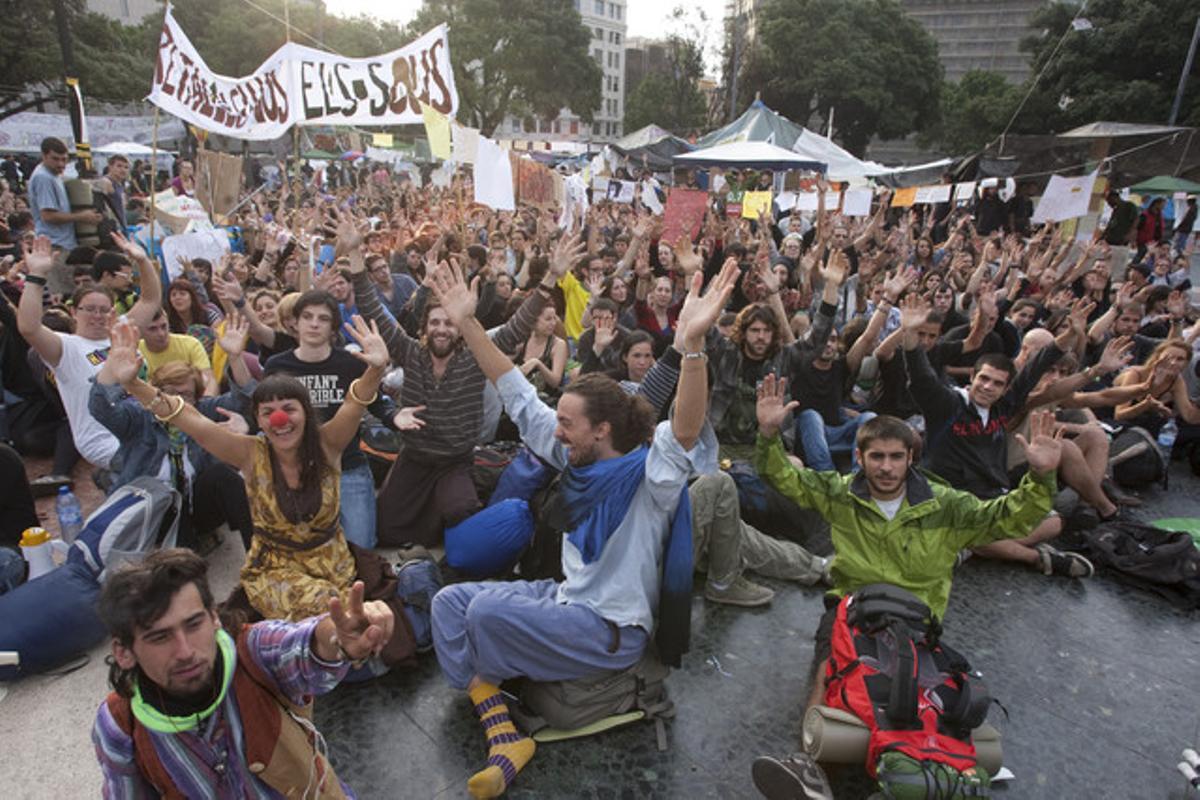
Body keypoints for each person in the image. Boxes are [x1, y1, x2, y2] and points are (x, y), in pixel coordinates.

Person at [427, 257, 738, 799]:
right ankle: (506, 732)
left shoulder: (649, 479)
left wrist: (691, 345)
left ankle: (498, 707)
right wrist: (468, 323)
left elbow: (685, 428)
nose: (558, 430)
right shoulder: (575, 455)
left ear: (603, 430)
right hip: (566, 601)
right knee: (447, 603)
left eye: (568, 423)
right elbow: (513, 389)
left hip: (610, 630)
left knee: (483, 613)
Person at [748, 383, 1065, 800]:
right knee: (829, 668)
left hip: (917, 617)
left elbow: (1009, 519)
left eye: (896, 457)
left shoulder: (946, 505)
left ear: (910, 458)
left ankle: (930, 769)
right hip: (851, 606)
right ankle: (810, 769)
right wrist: (769, 435)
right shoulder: (841, 493)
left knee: (918, 691)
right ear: (859, 458)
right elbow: (782, 477)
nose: (886, 467)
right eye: (876, 456)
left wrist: (1040, 477)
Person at [350, 224, 585, 548]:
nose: (442, 329)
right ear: (425, 328)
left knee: (462, 511)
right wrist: (353, 254)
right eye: (435, 322)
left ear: (459, 329)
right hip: (414, 458)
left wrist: (549, 280)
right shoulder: (409, 352)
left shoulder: (476, 356)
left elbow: (516, 328)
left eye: (449, 322)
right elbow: (371, 306)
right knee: (386, 530)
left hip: (456, 461)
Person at [92, 549, 395, 798]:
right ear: (124, 652)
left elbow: (306, 643)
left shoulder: (253, 653)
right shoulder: (121, 725)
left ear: (214, 618)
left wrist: (339, 639)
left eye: (194, 624)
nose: (184, 651)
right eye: (160, 637)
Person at [90, 313, 255, 548]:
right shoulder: (140, 417)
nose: (178, 401)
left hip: (195, 505)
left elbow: (245, 400)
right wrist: (112, 368)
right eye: (170, 392)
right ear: (157, 393)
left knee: (223, 477)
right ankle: (183, 557)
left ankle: (258, 557)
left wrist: (235, 357)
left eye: (185, 395)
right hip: (150, 511)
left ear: (197, 398)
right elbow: (100, 409)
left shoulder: (201, 411)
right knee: (169, 504)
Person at [263, 290, 402, 549]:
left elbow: (377, 403)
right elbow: (265, 414)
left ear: (333, 327)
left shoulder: (350, 364)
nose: (314, 323)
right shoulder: (276, 365)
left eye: (323, 318)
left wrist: (396, 416)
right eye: (307, 316)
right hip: (297, 471)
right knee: (302, 547)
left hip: (347, 467)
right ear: (295, 322)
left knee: (361, 547)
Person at [16, 233, 160, 471]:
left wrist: (143, 262)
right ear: (74, 312)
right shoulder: (66, 348)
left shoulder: (120, 330)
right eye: (89, 309)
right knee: (158, 468)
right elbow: (29, 328)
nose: (97, 316)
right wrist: (37, 274)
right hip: (103, 440)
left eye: (104, 310)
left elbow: (151, 300)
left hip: (140, 425)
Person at [29, 137, 103, 294]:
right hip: (55, 246)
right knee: (64, 293)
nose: (61, 164)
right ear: (44, 156)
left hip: (65, 244)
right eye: (55, 159)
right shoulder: (43, 177)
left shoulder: (54, 175)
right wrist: (82, 217)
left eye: (64, 160)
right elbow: (48, 215)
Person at [137, 309, 219, 397]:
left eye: (164, 326)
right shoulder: (135, 351)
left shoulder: (190, 344)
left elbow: (209, 379)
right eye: (153, 329)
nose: (161, 333)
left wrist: (206, 401)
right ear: (140, 332)